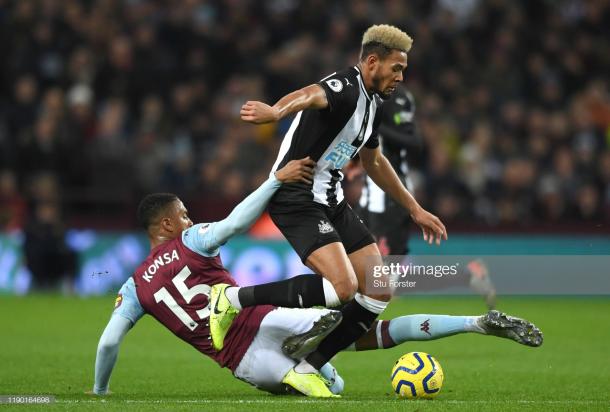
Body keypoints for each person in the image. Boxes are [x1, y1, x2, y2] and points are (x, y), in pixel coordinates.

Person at [90, 155, 543, 398]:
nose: (188, 221)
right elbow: (232, 224)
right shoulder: (189, 241)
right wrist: (274, 180)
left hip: (246, 364)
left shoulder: (133, 287)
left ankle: (315, 363)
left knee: (348, 345)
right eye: (183, 215)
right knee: (362, 317)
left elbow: (109, 342)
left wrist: (100, 391)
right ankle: (469, 321)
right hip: (271, 321)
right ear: (165, 225)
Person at [209, 24, 447, 379]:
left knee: (379, 289)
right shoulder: (345, 87)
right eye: (396, 68)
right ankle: (230, 300)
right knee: (344, 287)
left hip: (330, 200)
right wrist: (275, 112)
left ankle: (309, 366)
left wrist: (414, 209)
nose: (401, 76)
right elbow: (310, 94)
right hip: (296, 197)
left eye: (404, 70)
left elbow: (375, 162)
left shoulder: (374, 105)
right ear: (371, 62)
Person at [351, 84, 496, 308]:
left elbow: (412, 140)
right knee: (366, 276)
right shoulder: (364, 96)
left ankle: (466, 274)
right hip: (369, 196)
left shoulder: (397, 99)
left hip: (391, 197)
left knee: (379, 281)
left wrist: (373, 128)